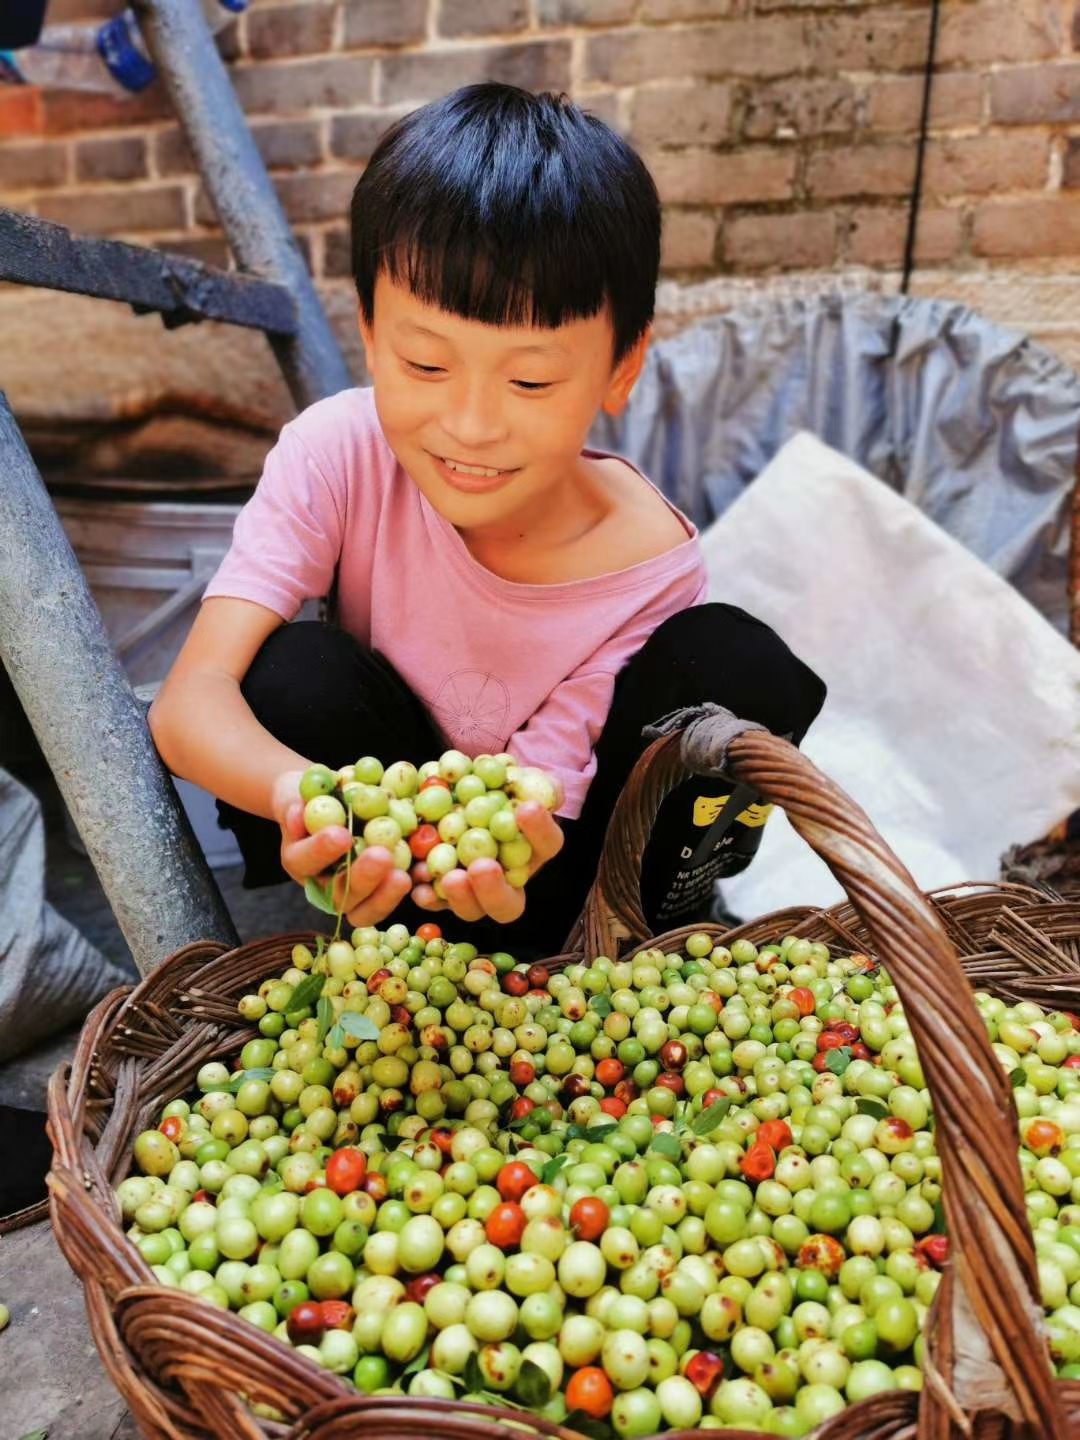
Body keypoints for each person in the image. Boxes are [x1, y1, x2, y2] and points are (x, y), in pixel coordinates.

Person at [149, 82, 825, 961]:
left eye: (531, 382)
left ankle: (653, 934)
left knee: (734, 661)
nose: (470, 425)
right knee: (291, 671)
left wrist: (517, 830)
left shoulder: (645, 558)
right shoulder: (336, 454)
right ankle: (402, 936)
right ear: (369, 332)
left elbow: (550, 776)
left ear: (622, 368)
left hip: (573, 867)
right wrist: (316, 805)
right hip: (395, 858)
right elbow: (188, 703)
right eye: (424, 363)